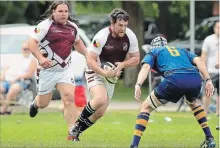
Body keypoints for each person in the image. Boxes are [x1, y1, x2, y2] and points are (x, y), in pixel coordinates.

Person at [130, 37, 216, 148]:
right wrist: (208, 80)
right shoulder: (181, 50)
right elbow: (199, 61)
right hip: (194, 78)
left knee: (146, 107)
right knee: (193, 103)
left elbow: (146, 66)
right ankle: (210, 138)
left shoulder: (154, 51)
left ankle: (134, 145)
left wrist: (138, 84)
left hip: (174, 78)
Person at [69, 8, 140, 141]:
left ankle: (75, 133)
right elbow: (90, 59)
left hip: (111, 76)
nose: (123, 28)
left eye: (125, 25)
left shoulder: (130, 36)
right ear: (112, 24)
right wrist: (103, 72)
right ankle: (77, 124)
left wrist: (122, 64)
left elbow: (136, 58)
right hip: (95, 71)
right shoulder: (101, 36)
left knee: (99, 113)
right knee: (100, 99)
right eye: (120, 25)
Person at [27, 1, 87, 137]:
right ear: (53, 12)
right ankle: (35, 103)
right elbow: (31, 43)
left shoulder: (73, 28)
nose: (64, 14)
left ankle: (72, 132)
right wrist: (41, 59)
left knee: (69, 98)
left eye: (66, 11)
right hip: (46, 71)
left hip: (64, 70)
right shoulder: (44, 26)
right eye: (60, 11)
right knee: (44, 103)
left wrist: (88, 54)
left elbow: (78, 43)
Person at [0, 41, 37, 114]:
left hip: (22, 81)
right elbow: (6, 68)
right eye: (24, 49)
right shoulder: (16, 58)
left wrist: (16, 78)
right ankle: (6, 104)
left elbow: (29, 74)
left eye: (27, 49)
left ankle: (3, 109)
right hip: (7, 80)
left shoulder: (32, 60)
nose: (25, 50)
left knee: (13, 89)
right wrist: (2, 75)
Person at [201, 21, 219, 116]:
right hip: (211, 71)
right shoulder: (208, 40)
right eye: (217, 27)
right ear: (214, 28)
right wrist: (204, 71)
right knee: (208, 92)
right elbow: (204, 56)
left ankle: (218, 113)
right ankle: (205, 112)